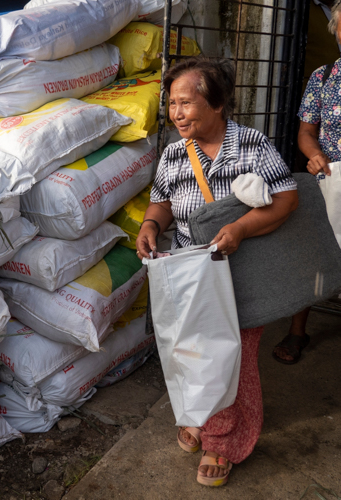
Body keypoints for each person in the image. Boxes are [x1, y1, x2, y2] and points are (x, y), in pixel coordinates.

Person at [136, 57, 299, 487]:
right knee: (191, 352)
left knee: (231, 357)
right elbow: (163, 201)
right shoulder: (174, 153)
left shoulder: (252, 145)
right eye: (172, 104)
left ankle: (221, 442)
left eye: (186, 103)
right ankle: (203, 419)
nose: (177, 113)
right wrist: (151, 225)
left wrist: (241, 228)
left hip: (242, 272)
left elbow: (286, 200)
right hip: (193, 275)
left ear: (218, 103)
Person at [273, 0, 341, 364]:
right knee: (313, 254)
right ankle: (297, 330)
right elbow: (305, 131)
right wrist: (314, 154)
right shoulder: (324, 76)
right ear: (336, 32)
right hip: (329, 179)